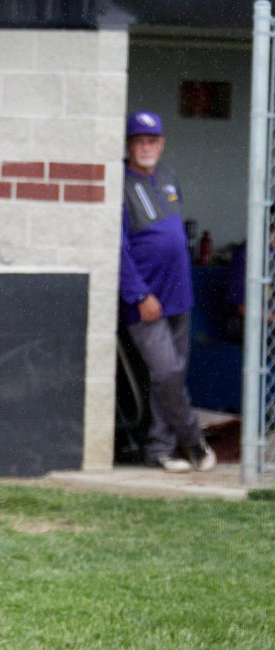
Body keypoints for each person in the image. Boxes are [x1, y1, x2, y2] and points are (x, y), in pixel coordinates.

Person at [119, 111, 217, 473]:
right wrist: (139, 295)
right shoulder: (119, 184)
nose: (146, 147)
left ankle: (160, 449)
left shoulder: (168, 176)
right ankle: (193, 441)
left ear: (161, 144)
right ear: (128, 145)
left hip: (179, 295)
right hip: (147, 300)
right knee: (167, 374)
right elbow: (118, 249)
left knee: (173, 376)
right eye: (138, 141)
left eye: (152, 141)